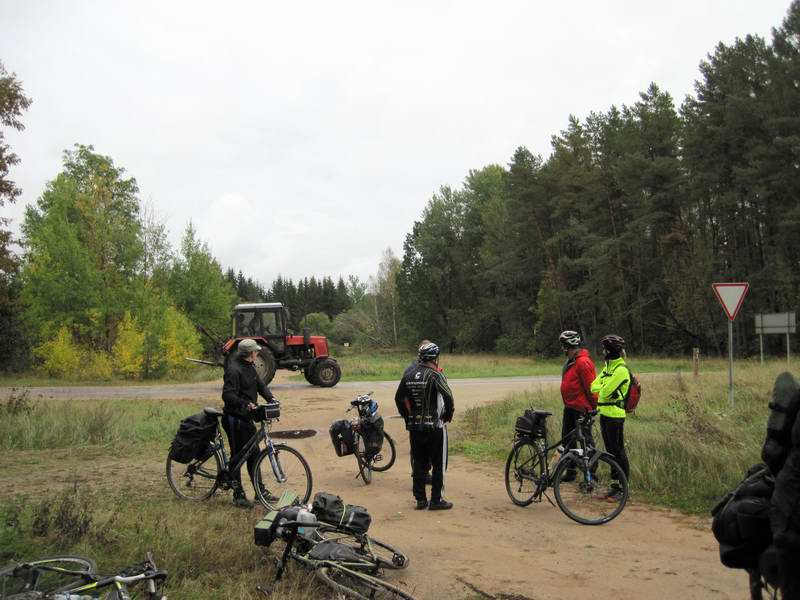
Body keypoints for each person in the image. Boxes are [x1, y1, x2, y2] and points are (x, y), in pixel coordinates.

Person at [395, 342, 455, 510]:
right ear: (435, 358)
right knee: (438, 463)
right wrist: (448, 414)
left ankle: (420, 499)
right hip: (434, 426)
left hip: (415, 427)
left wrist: (407, 418)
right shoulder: (435, 375)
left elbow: (398, 398)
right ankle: (436, 500)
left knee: (419, 463)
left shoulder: (408, 374)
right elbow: (448, 397)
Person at [221, 338, 276, 508]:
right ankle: (238, 495)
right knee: (238, 456)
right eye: (256, 351)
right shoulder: (233, 370)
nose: (257, 353)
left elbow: (260, 386)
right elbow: (227, 395)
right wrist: (245, 404)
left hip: (247, 417)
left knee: (254, 455)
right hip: (234, 418)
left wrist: (272, 399)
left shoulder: (249, 367)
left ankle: (260, 492)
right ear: (249, 353)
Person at [590, 334, 630, 501]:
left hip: (615, 415)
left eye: (604, 349)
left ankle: (623, 489)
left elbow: (604, 392)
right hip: (604, 414)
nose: (602, 351)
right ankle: (615, 487)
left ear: (609, 350)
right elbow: (593, 387)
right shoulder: (608, 368)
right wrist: (604, 385)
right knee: (611, 453)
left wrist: (604, 386)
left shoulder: (621, 370)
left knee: (618, 452)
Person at [558, 330, 597, 481]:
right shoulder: (571, 361)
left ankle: (591, 476)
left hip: (582, 409)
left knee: (586, 442)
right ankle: (571, 471)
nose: (563, 349)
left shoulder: (583, 362)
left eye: (563, 346)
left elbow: (591, 388)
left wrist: (593, 408)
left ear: (568, 347)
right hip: (570, 407)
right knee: (567, 440)